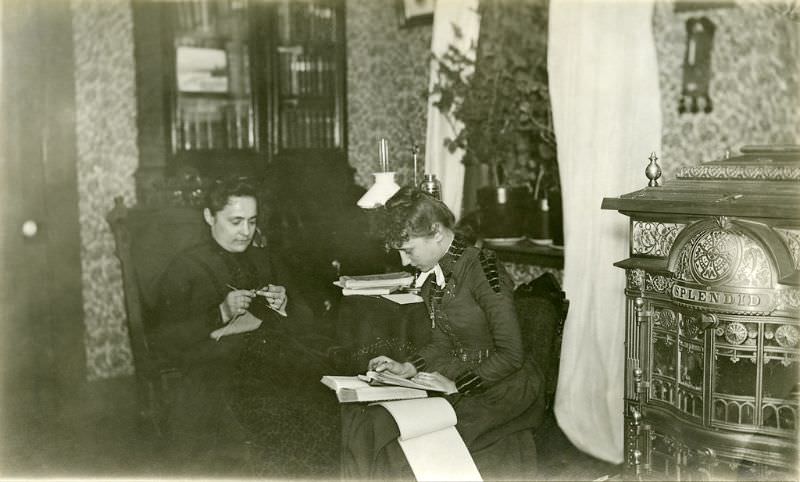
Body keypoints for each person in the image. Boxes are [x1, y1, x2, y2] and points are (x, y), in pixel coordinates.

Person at [341, 187, 544, 479]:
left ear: (436, 232)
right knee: (370, 422)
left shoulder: (483, 270)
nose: (404, 262)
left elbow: (512, 354)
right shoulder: (434, 274)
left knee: (411, 448)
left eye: (408, 250)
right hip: (458, 374)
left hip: (502, 386)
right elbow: (442, 342)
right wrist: (408, 367)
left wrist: (458, 386)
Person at [152, 175, 335, 476]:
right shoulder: (184, 268)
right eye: (235, 221)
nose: (246, 232)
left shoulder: (266, 259)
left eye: (252, 221)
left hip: (276, 362)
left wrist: (285, 306)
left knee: (321, 394)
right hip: (219, 375)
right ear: (209, 216)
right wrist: (220, 313)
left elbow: (307, 320)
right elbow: (165, 342)